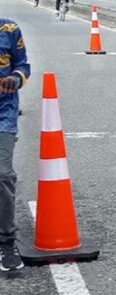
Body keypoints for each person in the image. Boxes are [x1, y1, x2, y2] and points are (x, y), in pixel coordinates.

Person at [0, 18, 30, 272]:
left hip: (3, 114)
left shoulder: (8, 29)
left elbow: (22, 66)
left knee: (2, 175)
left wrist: (15, 79)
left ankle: (6, 241)